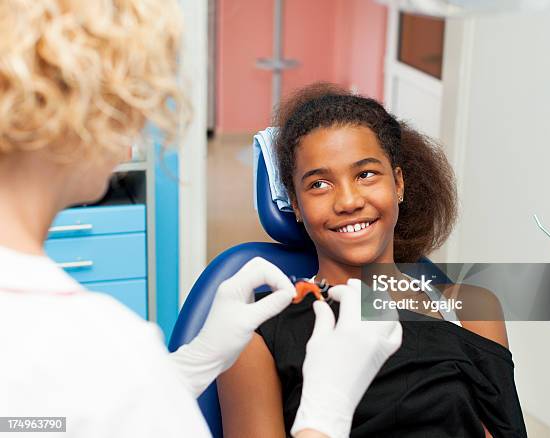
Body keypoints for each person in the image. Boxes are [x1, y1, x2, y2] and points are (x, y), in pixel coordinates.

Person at [0, 3, 401, 437]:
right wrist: (325, 415)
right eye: (129, 106)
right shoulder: (110, 346)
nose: (132, 144)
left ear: (400, 182)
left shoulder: (462, 297)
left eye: (366, 174)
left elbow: (34, 423)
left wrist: (187, 368)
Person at [217, 83, 528, 437]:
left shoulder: (470, 309)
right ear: (296, 204)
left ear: (398, 183)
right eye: (319, 184)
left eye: (365, 174)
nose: (348, 201)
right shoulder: (256, 331)